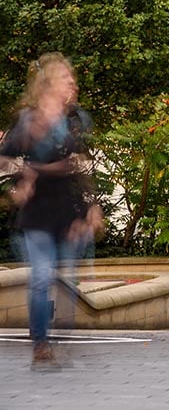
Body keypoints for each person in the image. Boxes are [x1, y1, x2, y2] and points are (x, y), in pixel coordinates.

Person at [0, 53, 102, 369]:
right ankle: (40, 343)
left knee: (67, 279)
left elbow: (84, 166)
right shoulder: (27, 122)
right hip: (37, 215)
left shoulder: (75, 122)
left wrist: (92, 207)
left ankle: (52, 338)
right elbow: (4, 161)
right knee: (42, 277)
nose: (72, 82)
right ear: (48, 85)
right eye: (66, 78)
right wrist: (20, 182)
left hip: (68, 214)